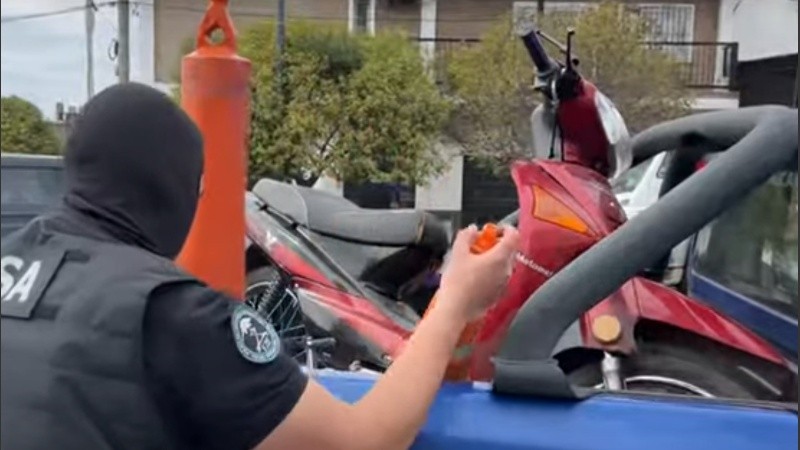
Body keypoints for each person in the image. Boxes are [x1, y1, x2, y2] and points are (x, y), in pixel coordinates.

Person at [0, 83, 519, 450]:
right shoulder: (170, 312)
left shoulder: (14, 261)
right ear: (174, 189)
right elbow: (365, 442)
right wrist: (456, 298)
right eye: (197, 191)